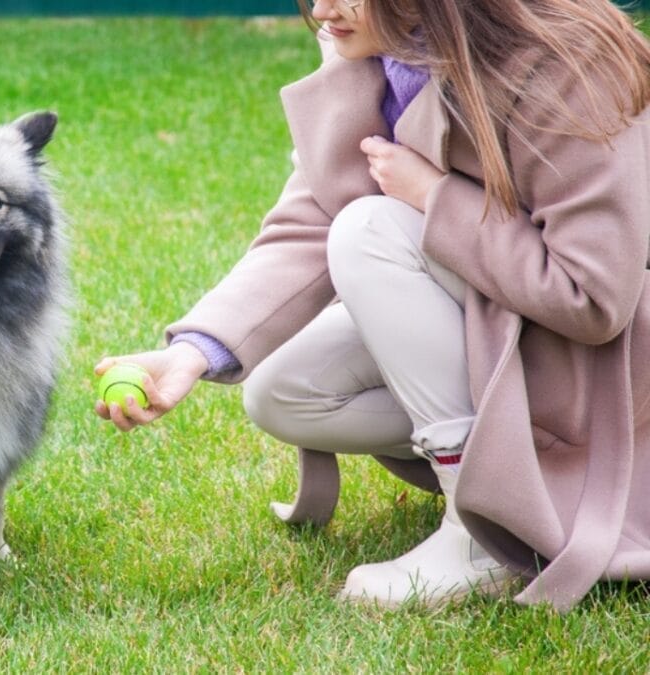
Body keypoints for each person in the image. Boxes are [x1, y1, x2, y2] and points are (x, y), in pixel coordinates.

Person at [94, 0, 650, 610]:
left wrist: (434, 197)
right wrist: (196, 352)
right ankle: (521, 473)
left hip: (597, 373)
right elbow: (313, 216)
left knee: (369, 229)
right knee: (283, 393)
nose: (322, 9)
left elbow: (593, 298)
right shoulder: (376, 48)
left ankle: (482, 533)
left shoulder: (567, 64)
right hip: (493, 320)